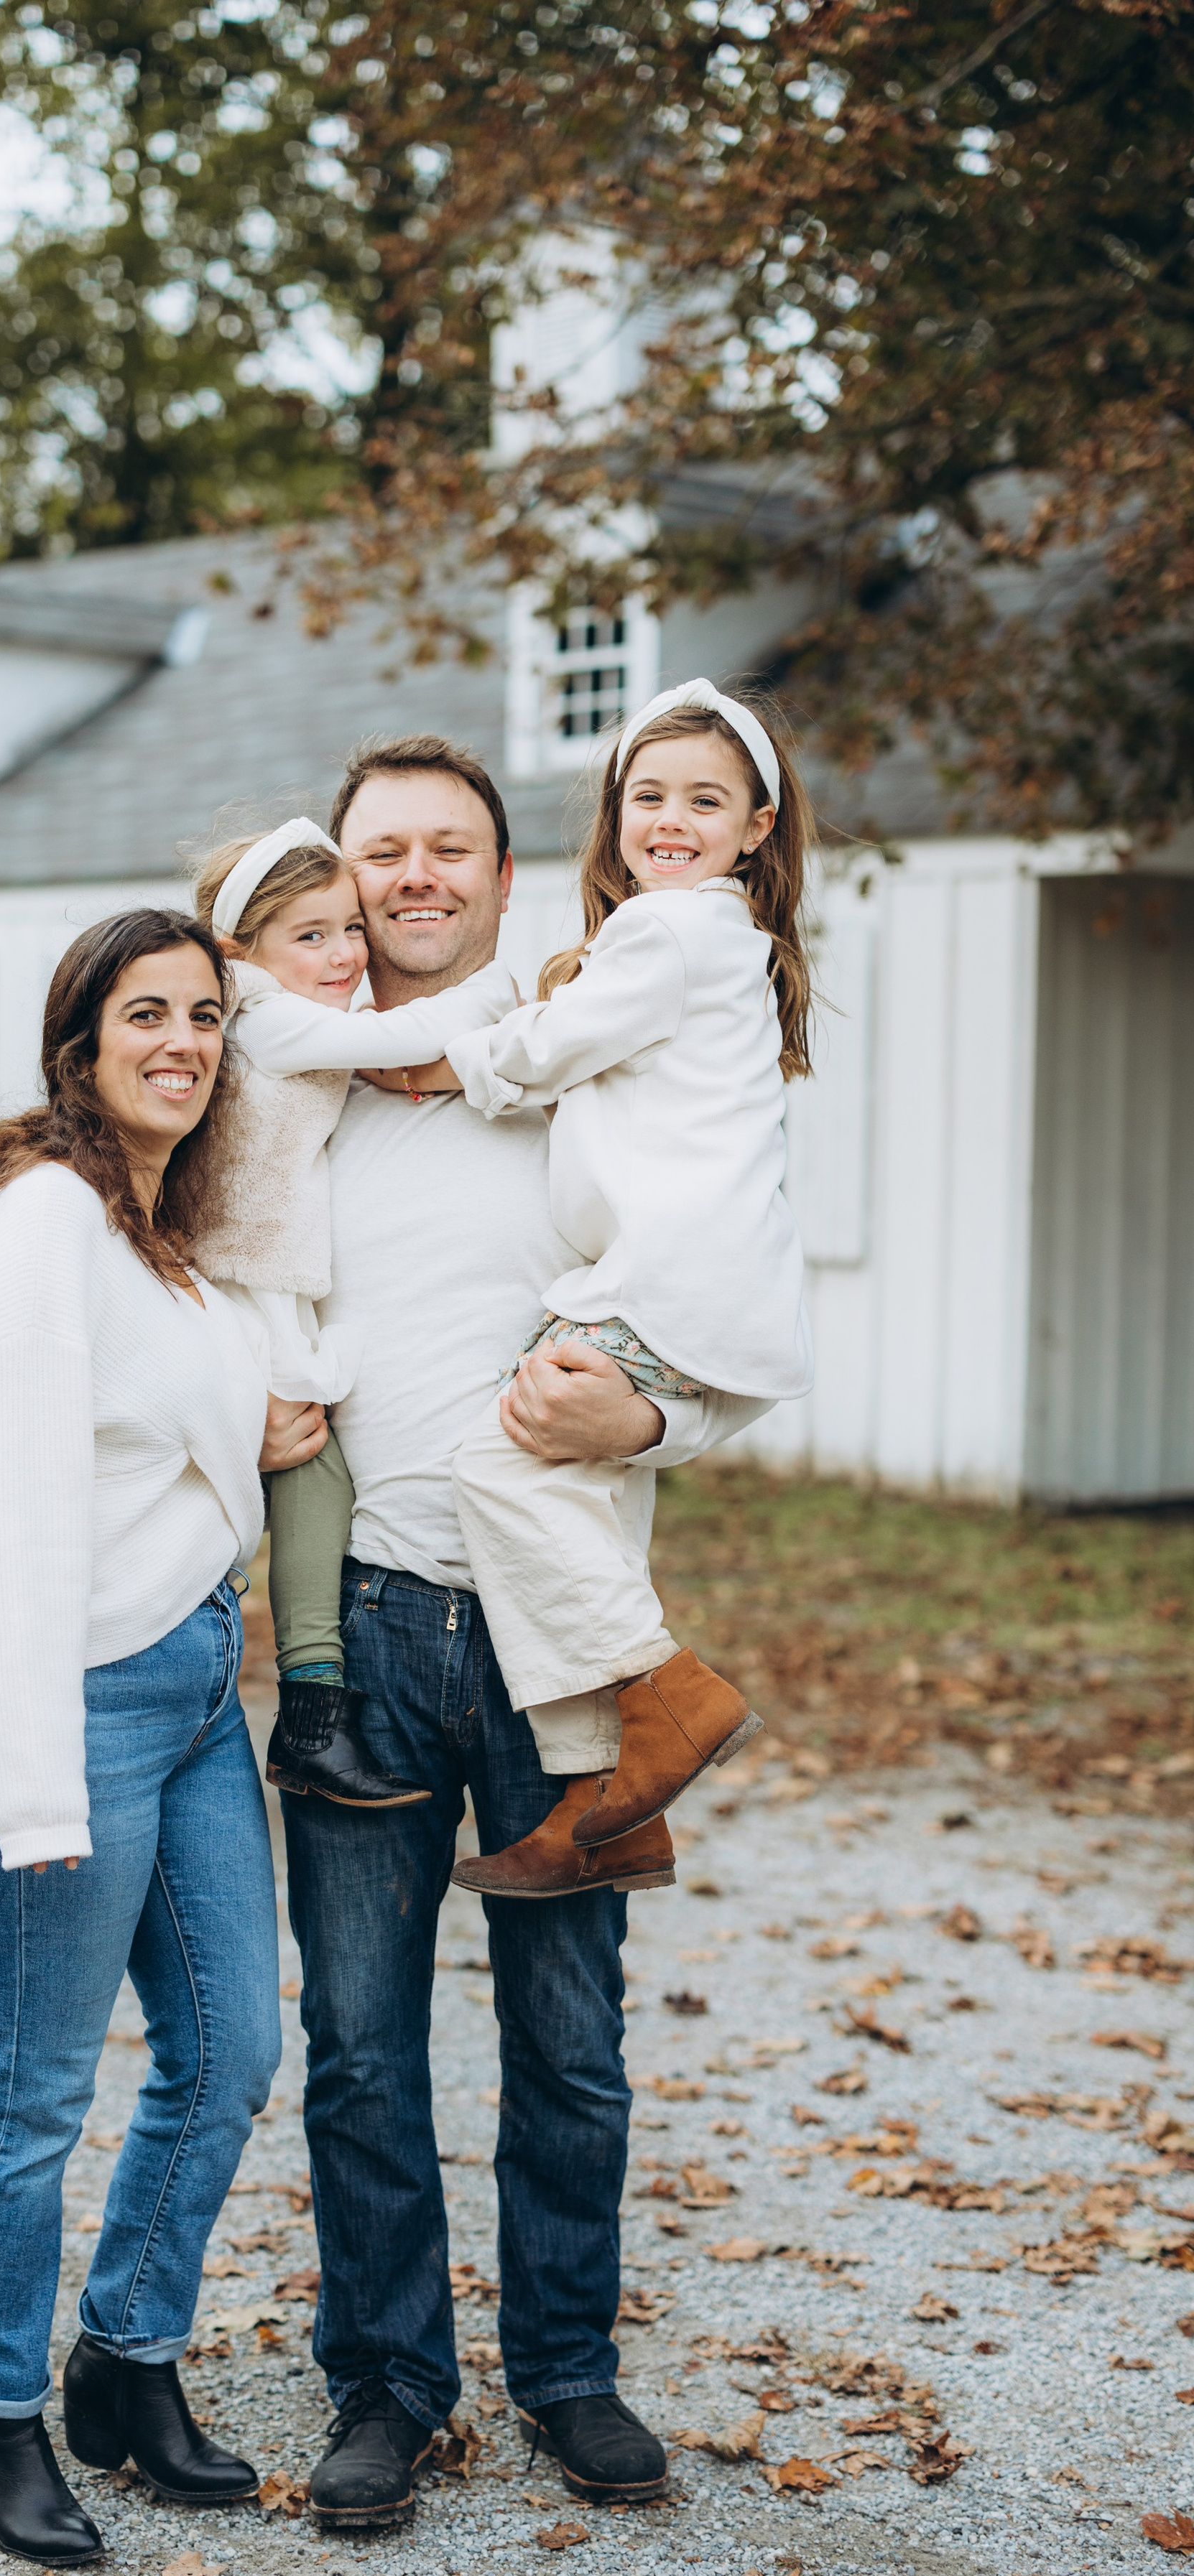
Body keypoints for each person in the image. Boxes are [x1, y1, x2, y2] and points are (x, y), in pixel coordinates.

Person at [278, 733, 774, 2530]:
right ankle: (387, 2383)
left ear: (504, 870)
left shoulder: (596, 1045)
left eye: (447, 848)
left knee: (568, 2037)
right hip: (369, 1628)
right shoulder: (299, 1089)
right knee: (355, 2039)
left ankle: (565, 2369)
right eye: (380, 853)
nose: (413, 878)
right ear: (341, 880)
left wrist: (645, 1427)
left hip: (562, 1653)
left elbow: (711, 1321)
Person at [0, 907, 320, 2565]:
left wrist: (263, 1414)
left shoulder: (169, 1235)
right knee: (30, 2096)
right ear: (76, 1047)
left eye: (207, 1017)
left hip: (194, 1691)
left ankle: (124, 2366)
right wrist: (33, 1786)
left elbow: (183, 1426)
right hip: (57, 1698)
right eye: (145, 1015)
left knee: (227, 2053)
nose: (183, 1043)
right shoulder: (43, 1222)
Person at [445, 680, 815, 1899]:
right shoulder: (729, 947)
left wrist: (461, 1053)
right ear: (615, 813)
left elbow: (544, 1051)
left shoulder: (668, 931)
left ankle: (667, 1693)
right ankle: (610, 1809)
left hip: (654, 1285)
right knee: (573, 1504)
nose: (669, 818)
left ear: (756, 827)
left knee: (501, 1464)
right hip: (715, 1297)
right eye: (646, 796)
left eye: (705, 800)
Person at [186, 815, 517, 1808]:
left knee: (305, 1470)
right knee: (292, 1470)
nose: (343, 955)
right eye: (312, 936)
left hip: (270, 1273)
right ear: (242, 953)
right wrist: (503, 992)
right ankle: (306, 1708)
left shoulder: (272, 1005)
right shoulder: (259, 1010)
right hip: (247, 1277)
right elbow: (401, 1038)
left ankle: (304, 1702)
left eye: (347, 930)